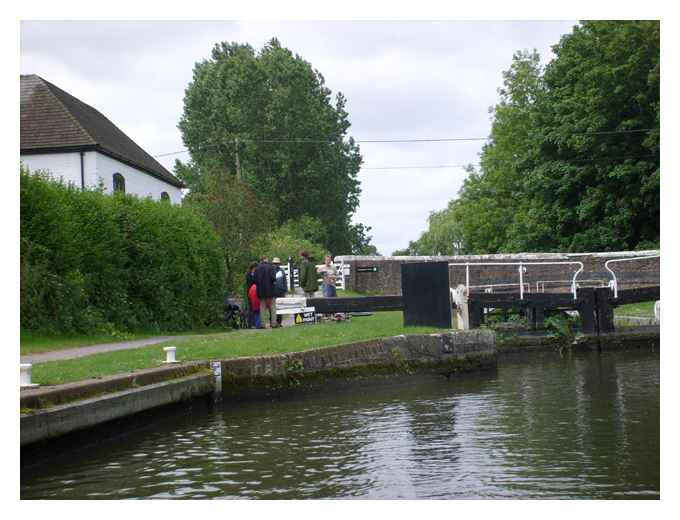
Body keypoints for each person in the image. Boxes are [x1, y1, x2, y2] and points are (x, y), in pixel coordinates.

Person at [255, 255, 277, 328]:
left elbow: (255, 280)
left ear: (261, 260)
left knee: (262, 307)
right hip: (270, 290)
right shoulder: (271, 267)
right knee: (273, 306)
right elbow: (273, 278)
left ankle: (262, 324)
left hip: (261, 291)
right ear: (266, 259)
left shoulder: (257, 268)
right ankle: (274, 323)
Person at [272, 257, 287, 327]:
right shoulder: (271, 271)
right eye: (275, 263)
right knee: (274, 308)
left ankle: (279, 322)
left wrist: (285, 289)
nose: (276, 265)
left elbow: (285, 281)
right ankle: (273, 322)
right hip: (274, 291)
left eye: (277, 263)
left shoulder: (282, 271)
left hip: (281, 291)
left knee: (280, 307)